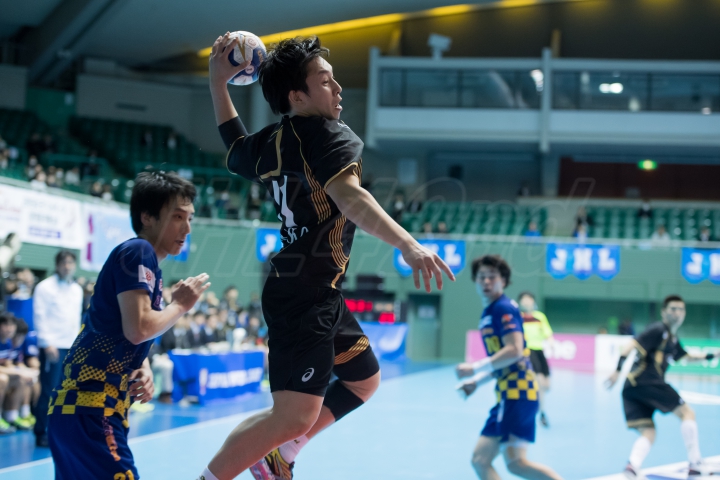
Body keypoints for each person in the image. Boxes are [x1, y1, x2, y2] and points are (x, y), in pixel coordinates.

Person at [201, 33, 454, 480]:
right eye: (325, 81)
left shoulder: (275, 140)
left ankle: (281, 455)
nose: (337, 89)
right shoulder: (328, 134)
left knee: (363, 378)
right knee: (292, 415)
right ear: (297, 96)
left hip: (316, 291)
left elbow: (236, 148)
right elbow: (350, 198)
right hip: (304, 294)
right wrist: (409, 245)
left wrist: (217, 83)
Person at [46, 171, 210, 479]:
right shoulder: (139, 251)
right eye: (177, 217)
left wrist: (141, 364)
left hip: (83, 410)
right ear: (147, 217)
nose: (187, 228)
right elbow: (139, 329)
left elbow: (120, 326)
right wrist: (180, 305)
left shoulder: (149, 266)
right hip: (92, 410)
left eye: (190, 218)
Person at [456, 255, 562, 480]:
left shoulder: (503, 308)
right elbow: (504, 362)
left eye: (492, 277)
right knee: (480, 460)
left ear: (503, 281)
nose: (486, 281)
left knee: (516, 464)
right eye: (481, 277)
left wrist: (475, 369)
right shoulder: (489, 311)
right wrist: (476, 382)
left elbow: (514, 351)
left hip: (519, 393)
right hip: (507, 393)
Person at [605, 295, 719, 478]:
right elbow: (630, 346)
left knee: (648, 431)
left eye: (681, 309)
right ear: (664, 312)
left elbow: (687, 356)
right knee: (687, 413)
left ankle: (632, 466)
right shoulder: (658, 329)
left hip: (631, 388)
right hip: (647, 381)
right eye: (673, 309)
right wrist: (617, 370)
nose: (677, 313)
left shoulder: (672, 339)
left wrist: (713, 355)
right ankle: (695, 463)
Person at [32, 250, 84, 447]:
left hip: (71, 347)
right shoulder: (45, 287)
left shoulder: (77, 290)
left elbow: (75, 319)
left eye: (70, 263)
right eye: (64, 263)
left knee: (66, 392)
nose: (67, 266)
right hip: (52, 347)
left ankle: (59, 430)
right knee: (49, 390)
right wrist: (47, 343)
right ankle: (42, 431)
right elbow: (39, 316)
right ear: (57, 265)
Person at [518, 292, 554, 428]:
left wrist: (551, 342)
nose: (527, 302)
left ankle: (537, 408)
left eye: (529, 300)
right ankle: (541, 413)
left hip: (540, 352)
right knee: (538, 383)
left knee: (546, 386)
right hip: (528, 352)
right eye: (524, 300)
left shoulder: (540, 317)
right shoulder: (518, 317)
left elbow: (547, 333)